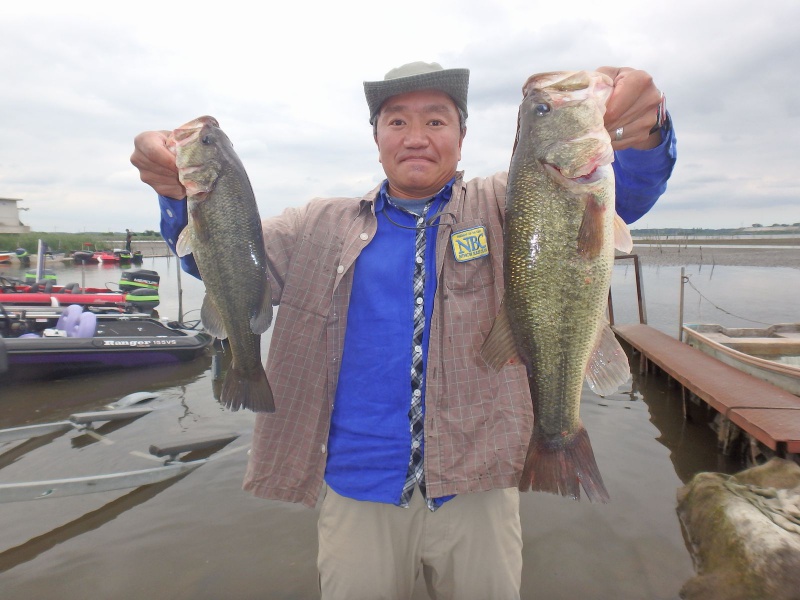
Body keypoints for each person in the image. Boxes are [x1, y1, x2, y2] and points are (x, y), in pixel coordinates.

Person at [131, 61, 677, 599]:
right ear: (376, 138)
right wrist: (178, 197)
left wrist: (646, 129)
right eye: (397, 121)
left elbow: (622, 192)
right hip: (355, 488)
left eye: (436, 121)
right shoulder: (313, 226)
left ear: (462, 138)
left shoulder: (512, 203)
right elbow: (220, 262)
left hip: (480, 484)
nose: (416, 136)